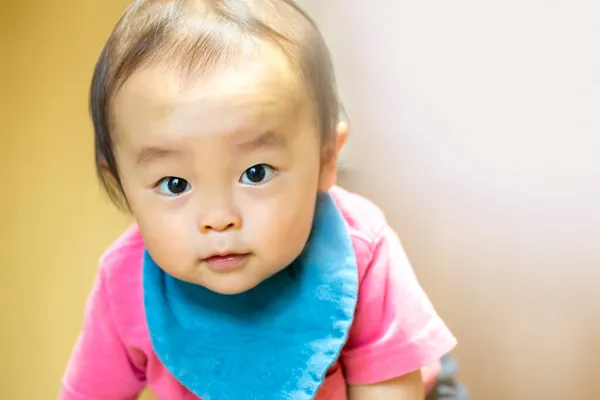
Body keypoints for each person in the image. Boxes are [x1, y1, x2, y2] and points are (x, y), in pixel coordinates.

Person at [61, 1, 457, 399]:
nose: (218, 218)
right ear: (124, 185)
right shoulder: (125, 282)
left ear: (325, 160)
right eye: (175, 184)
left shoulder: (360, 250)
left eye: (256, 173)